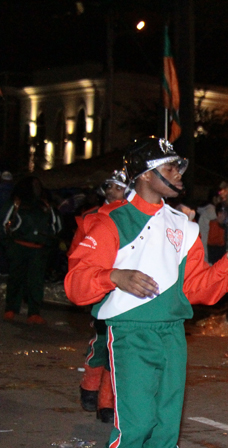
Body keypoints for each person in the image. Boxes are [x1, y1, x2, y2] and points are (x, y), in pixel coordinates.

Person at [64, 137, 228, 448]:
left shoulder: (184, 227)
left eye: (179, 169)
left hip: (173, 334)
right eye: (170, 169)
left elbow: (198, 290)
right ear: (145, 174)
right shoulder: (109, 222)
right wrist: (115, 275)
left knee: (165, 432)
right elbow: (75, 285)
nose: (179, 177)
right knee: (135, 425)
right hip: (131, 332)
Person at [71, 169, 129, 423]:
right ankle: (90, 388)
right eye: (112, 187)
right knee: (102, 341)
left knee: (119, 349)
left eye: (120, 188)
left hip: (127, 288)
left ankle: (107, 403)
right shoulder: (93, 218)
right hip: (102, 287)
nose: (115, 192)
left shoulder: (133, 217)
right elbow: (78, 256)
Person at [2, 176, 61, 324]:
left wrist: (47, 241)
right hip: (19, 246)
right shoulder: (16, 204)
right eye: (33, 185)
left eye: (38, 185)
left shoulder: (45, 205)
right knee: (16, 278)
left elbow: (57, 226)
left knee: (36, 281)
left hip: (38, 249)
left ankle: (34, 312)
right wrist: (9, 245)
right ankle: (11, 308)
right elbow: (3, 224)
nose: (36, 188)